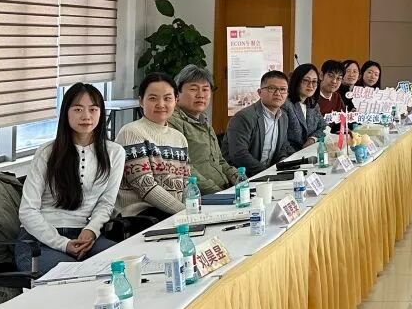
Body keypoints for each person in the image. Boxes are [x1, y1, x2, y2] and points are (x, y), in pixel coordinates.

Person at [16, 84, 124, 274]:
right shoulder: (46, 152)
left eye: (93, 109)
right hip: (39, 241)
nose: (86, 116)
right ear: (66, 112)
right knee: (76, 274)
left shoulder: (115, 153)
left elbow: (106, 202)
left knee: (123, 264)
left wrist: (91, 230)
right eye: (78, 109)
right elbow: (27, 211)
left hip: (85, 236)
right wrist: (62, 244)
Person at [116, 72, 190, 220]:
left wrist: (192, 210)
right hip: (139, 217)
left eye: (167, 98)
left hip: (172, 214)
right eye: (153, 98)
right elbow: (145, 186)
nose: (161, 104)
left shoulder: (179, 138)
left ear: (176, 100)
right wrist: (184, 212)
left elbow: (187, 183)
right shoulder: (131, 132)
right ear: (141, 101)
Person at [167, 65, 239, 195]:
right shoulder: (172, 123)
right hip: (199, 196)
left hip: (223, 190)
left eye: (205, 89)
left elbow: (219, 160)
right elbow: (184, 168)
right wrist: (218, 192)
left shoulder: (204, 122)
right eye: (193, 89)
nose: (200, 95)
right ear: (177, 94)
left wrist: (236, 176)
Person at [223, 70, 295, 177]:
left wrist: (283, 162)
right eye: (272, 88)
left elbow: (282, 147)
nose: (278, 93)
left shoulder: (283, 117)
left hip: (268, 174)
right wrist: (267, 173)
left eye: (283, 89)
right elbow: (239, 155)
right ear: (260, 92)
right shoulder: (244, 117)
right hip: (242, 177)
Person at [284, 63, 327, 149]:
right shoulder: (285, 104)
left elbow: (323, 127)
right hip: (290, 154)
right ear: (297, 81)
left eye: (314, 81)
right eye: (306, 80)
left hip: (309, 151)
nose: (310, 85)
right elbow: (282, 140)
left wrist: (312, 139)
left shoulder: (313, 104)